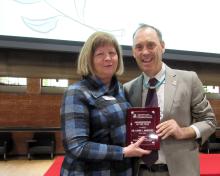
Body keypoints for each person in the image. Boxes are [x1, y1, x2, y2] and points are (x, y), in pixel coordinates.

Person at [124, 24, 217, 176]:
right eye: (139, 47)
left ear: (162, 46)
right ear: (133, 52)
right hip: (140, 171)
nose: (145, 52)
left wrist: (183, 131)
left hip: (180, 171)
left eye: (151, 45)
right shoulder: (127, 89)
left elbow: (209, 121)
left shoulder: (189, 80)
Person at [60, 31, 150, 176]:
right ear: (89, 60)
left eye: (112, 53)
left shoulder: (121, 89)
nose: (108, 58)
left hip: (122, 170)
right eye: (100, 54)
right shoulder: (76, 92)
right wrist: (123, 152)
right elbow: (77, 147)